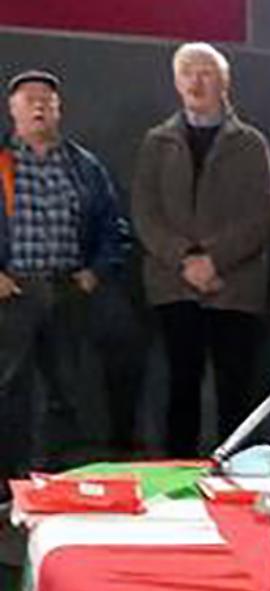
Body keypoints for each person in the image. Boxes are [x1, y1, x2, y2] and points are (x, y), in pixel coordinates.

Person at [131, 43, 270, 458]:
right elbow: (144, 211)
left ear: (224, 82)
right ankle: (177, 472)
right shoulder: (157, 142)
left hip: (234, 287)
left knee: (235, 391)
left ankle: (235, 475)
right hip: (173, 286)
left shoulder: (251, 143)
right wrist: (184, 259)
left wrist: (213, 260)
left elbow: (262, 213)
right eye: (187, 73)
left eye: (205, 72)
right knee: (179, 388)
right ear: (176, 82)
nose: (196, 81)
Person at [0, 69, 127, 495]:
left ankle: (57, 487)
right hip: (11, 293)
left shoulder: (83, 166)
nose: (39, 106)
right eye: (29, 99)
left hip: (66, 289)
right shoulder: (2, 161)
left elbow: (113, 227)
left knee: (67, 393)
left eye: (47, 100)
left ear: (59, 109)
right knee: (8, 393)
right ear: (13, 109)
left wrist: (96, 272)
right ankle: (6, 489)